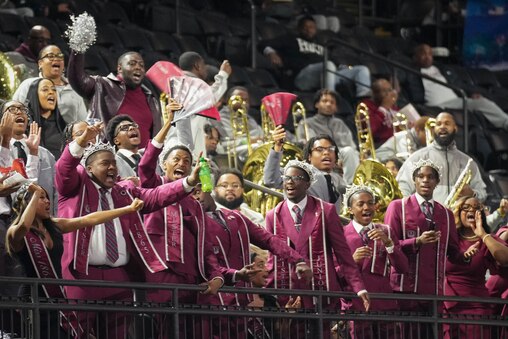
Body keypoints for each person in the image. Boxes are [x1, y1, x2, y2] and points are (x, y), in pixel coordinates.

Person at [55, 122, 200, 339]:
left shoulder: (125, 191)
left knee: (118, 334)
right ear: (89, 168)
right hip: (83, 273)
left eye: (114, 163)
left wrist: (188, 182)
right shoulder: (75, 186)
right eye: (106, 163)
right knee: (78, 333)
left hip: (119, 276)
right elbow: (64, 169)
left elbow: (157, 196)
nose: (113, 167)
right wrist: (82, 140)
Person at [6, 183, 144, 338]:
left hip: (56, 300)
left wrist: (128, 209)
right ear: (26, 202)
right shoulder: (14, 232)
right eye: (41, 198)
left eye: (46, 197)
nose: (47, 201)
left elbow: (88, 219)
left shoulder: (55, 226)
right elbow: (24, 226)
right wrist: (36, 193)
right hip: (32, 301)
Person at [137, 106, 225, 338]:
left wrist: (216, 275)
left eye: (187, 161)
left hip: (189, 278)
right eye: (176, 159)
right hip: (158, 272)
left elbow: (205, 246)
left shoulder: (195, 204)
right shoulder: (153, 186)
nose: (182, 164)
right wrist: (167, 124)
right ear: (164, 164)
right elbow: (145, 165)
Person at [193, 182, 312, 338]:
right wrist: (236, 274)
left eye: (197, 191)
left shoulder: (236, 217)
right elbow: (206, 263)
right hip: (214, 302)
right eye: (188, 195)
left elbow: (268, 239)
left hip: (242, 300)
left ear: (207, 187)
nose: (194, 197)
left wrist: (298, 260)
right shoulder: (194, 223)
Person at [265, 160, 370, 337]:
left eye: (296, 177)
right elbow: (271, 259)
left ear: (307, 183)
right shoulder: (272, 215)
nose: (290, 182)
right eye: (287, 177)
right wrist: (271, 295)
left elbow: (343, 254)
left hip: (320, 292)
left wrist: (359, 287)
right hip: (288, 293)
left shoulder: (325, 210)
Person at [384, 159, 468, 337]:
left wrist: (466, 255)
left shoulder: (446, 213)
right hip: (405, 289)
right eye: (420, 176)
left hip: (434, 292)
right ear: (414, 180)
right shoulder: (398, 206)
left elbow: (453, 251)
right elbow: (389, 245)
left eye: (430, 177)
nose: (425, 180)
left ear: (437, 182)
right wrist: (417, 242)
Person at [342, 184, 408, 339]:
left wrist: (389, 243)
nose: (367, 207)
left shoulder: (385, 231)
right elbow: (334, 272)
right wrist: (352, 261)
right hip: (356, 306)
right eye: (361, 204)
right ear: (350, 209)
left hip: (385, 305)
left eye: (370, 203)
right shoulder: (342, 234)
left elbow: (403, 267)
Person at [443, 195, 508, 339]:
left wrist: (483, 234)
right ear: (459, 213)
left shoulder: (486, 239)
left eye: (476, 208)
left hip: (475, 309)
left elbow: (505, 259)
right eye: (466, 208)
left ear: (482, 214)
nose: (471, 210)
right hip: (445, 307)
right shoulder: (450, 237)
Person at [259, 16, 371, 98]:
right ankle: (329, 98)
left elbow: (334, 63)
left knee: (361, 70)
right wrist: (271, 53)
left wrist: (346, 68)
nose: (309, 30)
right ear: (299, 28)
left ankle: (364, 99)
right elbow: (262, 44)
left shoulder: (321, 45)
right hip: (301, 76)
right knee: (328, 65)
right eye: (305, 27)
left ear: (316, 29)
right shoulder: (291, 39)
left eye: (312, 27)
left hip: (326, 73)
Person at [68, 50, 162, 148]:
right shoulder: (102, 85)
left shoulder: (150, 97)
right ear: (120, 68)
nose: (138, 67)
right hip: (109, 157)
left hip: (144, 159)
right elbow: (77, 79)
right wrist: (78, 49)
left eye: (141, 65)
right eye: (132, 64)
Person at [405, 44, 508, 131]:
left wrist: (470, 94)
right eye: (423, 54)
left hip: (456, 100)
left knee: (482, 102)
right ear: (415, 57)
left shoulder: (442, 68)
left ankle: (506, 123)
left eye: (430, 54)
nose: (427, 57)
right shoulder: (411, 72)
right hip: (435, 106)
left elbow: (459, 84)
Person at [396, 112, 487, 204]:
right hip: (425, 217)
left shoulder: (468, 162)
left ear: (455, 128)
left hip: (456, 218)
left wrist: (473, 194)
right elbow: (402, 187)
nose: (442, 126)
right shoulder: (418, 157)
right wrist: (412, 210)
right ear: (434, 129)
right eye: (438, 124)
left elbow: (483, 193)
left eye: (447, 123)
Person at [166, 52, 232, 157]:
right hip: (183, 148)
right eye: (203, 65)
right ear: (198, 66)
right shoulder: (190, 83)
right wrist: (223, 74)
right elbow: (211, 96)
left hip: (177, 145)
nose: (205, 69)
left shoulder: (177, 83)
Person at [264, 131, 346, 214]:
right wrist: (277, 146)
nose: (326, 153)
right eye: (319, 149)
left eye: (331, 149)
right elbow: (271, 179)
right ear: (309, 156)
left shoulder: (338, 179)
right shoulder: (299, 172)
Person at [295, 89, 359, 183]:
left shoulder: (340, 124)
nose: (328, 104)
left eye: (332, 102)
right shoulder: (306, 123)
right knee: (348, 152)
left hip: (343, 157)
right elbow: (304, 148)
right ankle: (351, 188)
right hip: (319, 157)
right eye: (325, 101)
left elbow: (352, 147)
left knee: (368, 159)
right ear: (317, 104)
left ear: (336, 107)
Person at [13, 44, 87, 124]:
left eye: (60, 56)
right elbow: (13, 114)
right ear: (40, 63)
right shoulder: (29, 84)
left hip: (68, 135)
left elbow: (82, 121)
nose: (56, 59)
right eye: (50, 56)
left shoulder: (73, 87)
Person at [24, 78, 66, 159]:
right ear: (34, 95)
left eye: (54, 90)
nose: (51, 92)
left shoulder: (63, 126)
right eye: (45, 89)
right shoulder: (25, 125)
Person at [361, 78, 400, 146]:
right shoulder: (366, 106)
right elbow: (371, 129)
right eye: (384, 91)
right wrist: (383, 108)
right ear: (375, 93)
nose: (388, 94)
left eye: (390, 90)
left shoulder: (392, 106)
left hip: (397, 142)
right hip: (380, 145)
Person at [105, 115, 143, 179]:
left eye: (134, 125)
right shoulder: (113, 163)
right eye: (124, 128)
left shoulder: (149, 156)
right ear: (116, 140)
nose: (132, 128)